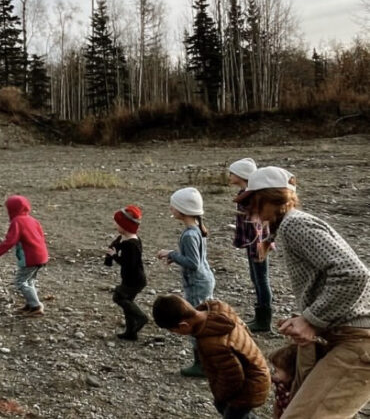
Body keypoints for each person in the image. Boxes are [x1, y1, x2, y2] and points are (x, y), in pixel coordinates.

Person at [236, 166, 370, 418]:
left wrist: (311, 319)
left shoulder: (294, 225)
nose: (248, 210)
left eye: (251, 202)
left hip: (357, 343)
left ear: (271, 198)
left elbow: (354, 274)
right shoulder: (292, 225)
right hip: (350, 340)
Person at [152, 294, 269, 419]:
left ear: (184, 325)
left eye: (173, 331)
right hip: (256, 368)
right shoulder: (219, 309)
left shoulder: (212, 343)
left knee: (233, 414)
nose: (175, 334)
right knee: (222, 406)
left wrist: (220, 394)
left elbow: (231, 378)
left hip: (249, 386)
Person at [156, 187, 215, 377]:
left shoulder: (189, 234)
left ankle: (202, 364)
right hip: (204, 280)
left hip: (198, 283)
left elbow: (193, 263)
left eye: (173, 206)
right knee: (204, 318)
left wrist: (171, 254)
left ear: (183, 210)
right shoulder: (196, 228)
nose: (171, 209)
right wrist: (177, 257)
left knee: (195, 321)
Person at [229, 157, 273, 332]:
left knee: (261, 279)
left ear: (241, 175)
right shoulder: (246, 194)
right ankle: (260, 315)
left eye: (232, 173)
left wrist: (258, 244)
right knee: (256, 278)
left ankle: (264, 320)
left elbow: (257, 225)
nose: (229, 176)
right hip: (252, 242)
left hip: (257, 244)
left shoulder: (251, 197)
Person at [0, 195, 49, 317]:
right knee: (30, 281)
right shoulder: (32, 220)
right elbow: (41, 237)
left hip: (30, 258)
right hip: (41, 256)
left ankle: (36, 306)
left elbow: (10, 241)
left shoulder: (17, 221)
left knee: (20, 282)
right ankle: (31, 304)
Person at [104, 205, 148, 340]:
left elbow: (129, 264)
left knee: (119, 297)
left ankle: (141, 317)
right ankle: (131, 332)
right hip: (131, 278)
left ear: (125, 226)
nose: (116, 226)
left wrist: (115, 256)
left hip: (134, 280)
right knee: (127, 305)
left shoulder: (131, 244)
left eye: (118, 224)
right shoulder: (129, 240)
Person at [266, 344, 297, 419]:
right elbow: (277, 402)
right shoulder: (280, 383)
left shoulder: (296, 390)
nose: (274, 374)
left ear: (290, 373)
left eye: (276, 371)